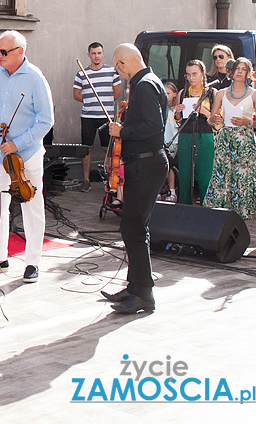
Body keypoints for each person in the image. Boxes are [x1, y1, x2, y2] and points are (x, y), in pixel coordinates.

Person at [0, 30, 54, 283]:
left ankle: (32, 262)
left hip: (26, 153)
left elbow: (46, 120)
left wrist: (18, 143)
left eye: (4, 52)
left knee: (31, 206)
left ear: (20, 52)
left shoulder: (35, 78)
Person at [103, 44, 168, 314]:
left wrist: (122, 131)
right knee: (134, 228)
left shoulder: (143, 85)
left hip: (146, 163)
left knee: (134, 229)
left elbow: (154, 126)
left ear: (122, 64)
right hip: (145, 162)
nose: (119, 72)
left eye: (117, 67)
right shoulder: (149, 81)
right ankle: (135, 286)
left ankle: (144, 294)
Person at [203, 57, 256, 218]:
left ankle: (240, 214)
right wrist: (213, 120)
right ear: (231, 71)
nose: (239, 72)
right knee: (222, 175)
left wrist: (248, 121)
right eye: (237, 68)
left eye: (243, 69)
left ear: (248, 73)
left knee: (242, 177)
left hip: (245, 139)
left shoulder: (255, 95)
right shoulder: (221, 93)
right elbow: (211, 119)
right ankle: (219, 212)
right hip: (225, 138)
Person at [72, 42, 122, 191]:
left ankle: (109, 181)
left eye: (99, 53)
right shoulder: (81, 73)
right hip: (88, 116)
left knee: (108, 149)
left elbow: (117, 92)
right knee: (87, 149)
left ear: (103, 54)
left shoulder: (112, 71)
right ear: (89, 55)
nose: (96, 56)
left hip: (106, 116)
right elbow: (76, 95)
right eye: (93, 53)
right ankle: (86, 180)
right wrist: (89, 101)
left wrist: (105, 101)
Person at [174, 60, 216, 206]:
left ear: (203, 74)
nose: (191, 78)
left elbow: (217, 121)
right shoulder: (183, 92)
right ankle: (184, 206)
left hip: (205, 135)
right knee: (185, 172)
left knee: (205, 173)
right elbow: (178, 120)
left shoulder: (211, 93)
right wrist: (178, 112)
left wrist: (204, 112)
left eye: (194, 74)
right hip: (186, 134)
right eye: (188, 75)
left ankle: (207, 206)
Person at [162, 82, 180, 202]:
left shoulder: (175, 110)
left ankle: (172, 191)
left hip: (173, 142)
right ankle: (159, 190)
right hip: (162, 141)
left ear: (174, 94)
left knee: (171, 168)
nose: (165, 95)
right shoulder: (160, 108)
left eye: (168, 93)